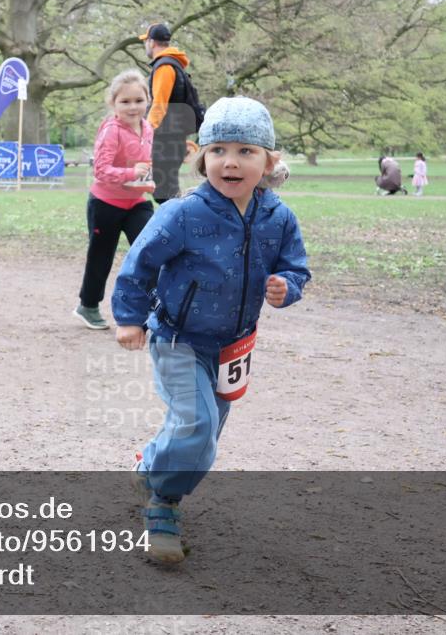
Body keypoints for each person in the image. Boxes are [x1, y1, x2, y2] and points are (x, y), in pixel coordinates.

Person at [112, 96, 311, 563]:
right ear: (202, 159)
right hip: (178, 339)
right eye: (219, 150)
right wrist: (128, 317)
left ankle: (151, 464)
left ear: (269, 161)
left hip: (233, 347)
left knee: (203, 433)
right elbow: (138, 266)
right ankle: (163, 506)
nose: (231, 162)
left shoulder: (278, 217)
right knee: (198, 427)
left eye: (246, 151)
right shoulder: (182, 214)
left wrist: (288, 285)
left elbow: (296, 267)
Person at [73, 69, 154, 330]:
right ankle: (88, 306)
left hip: (137, 202)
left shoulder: (148, 127)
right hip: (105, 204)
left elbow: (145, 164)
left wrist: (149, 181)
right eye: (125, 102)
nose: (133, 107)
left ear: (147, 100)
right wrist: (132, 173)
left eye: (138, 100)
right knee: (101, 256)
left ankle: (153, 307)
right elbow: (101, 170)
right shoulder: (111, 130)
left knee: (151, 251)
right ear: (113, 103)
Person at [141, 23, 196, 205]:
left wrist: (146, 132)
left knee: (165, 193)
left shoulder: (164, 67)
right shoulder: (174, 64)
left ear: (151, 42)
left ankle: (180, 228)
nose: (145, 46)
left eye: (145, 41)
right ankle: (179, 226)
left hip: (165, 139)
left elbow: (159, 104)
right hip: (172, 137)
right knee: (167, 192)